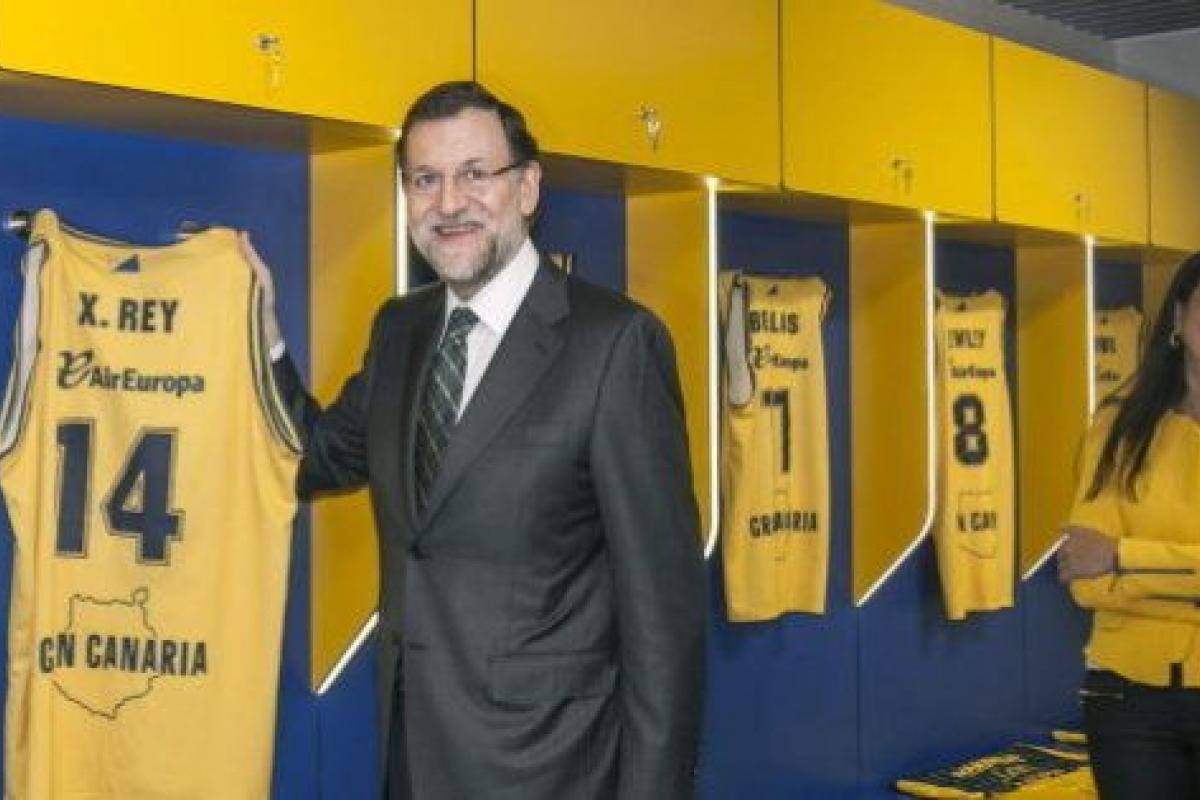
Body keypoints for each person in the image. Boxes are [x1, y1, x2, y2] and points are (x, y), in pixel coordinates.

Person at [245, 81, 706, 799]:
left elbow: (664, 620)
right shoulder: (399, 329)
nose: (449, 203)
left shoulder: (615, 345)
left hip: (553, 772)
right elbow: (315, 456)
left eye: (474, 174)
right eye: (425, 179)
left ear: (528, 188)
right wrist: (264, 337)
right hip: (412, 759)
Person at [1059, 251, 1200, 799]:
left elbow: (1105, 564)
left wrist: (1122, 556)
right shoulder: (1118, 426)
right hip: (1128, 703)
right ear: (1179, 316)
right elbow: (1086, 580)